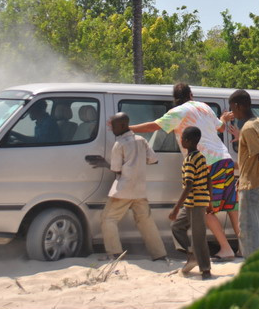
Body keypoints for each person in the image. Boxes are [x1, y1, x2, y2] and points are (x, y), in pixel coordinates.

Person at [130, 83, 238, 261]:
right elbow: (220, 128)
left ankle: (226, 248)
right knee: (232, 206)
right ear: (191, 94)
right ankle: (243, 247)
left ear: (176, 97)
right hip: (225, 159)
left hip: (207, 163)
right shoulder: (203, 106)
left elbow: (153, 127)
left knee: (205, 209)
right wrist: (223, 118)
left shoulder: (177, 112)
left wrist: (129, 128)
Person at [87, 113, 166, 261]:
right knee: (146, 221)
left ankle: (115, 253)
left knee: (108, 219)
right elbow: (154, 160)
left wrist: (104, 163)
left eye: (114, 126)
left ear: (123, 126)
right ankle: (159, 254)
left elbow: (116, 169)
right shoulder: (141, 140)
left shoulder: (120, 144)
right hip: (140, 189)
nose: (112, 129)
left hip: (123, 189)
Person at [170, 127, 213, 279]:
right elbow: (208, 179)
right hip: (193, 203)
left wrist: (176, 208)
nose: (180, 141)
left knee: (198, 237)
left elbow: (189, 185)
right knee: (177, 226)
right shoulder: (201, 157)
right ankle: (191, 254)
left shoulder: (189, 160)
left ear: (187, 141)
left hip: (195, 203)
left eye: (182, 138)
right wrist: (210, 201)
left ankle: (205, 269)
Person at [230, 89, 259, 257]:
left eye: (232, 108)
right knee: (257, 230)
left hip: (251, 184)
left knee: (247, 231)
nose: (232, 113)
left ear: (239, 106)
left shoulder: (247, 128)